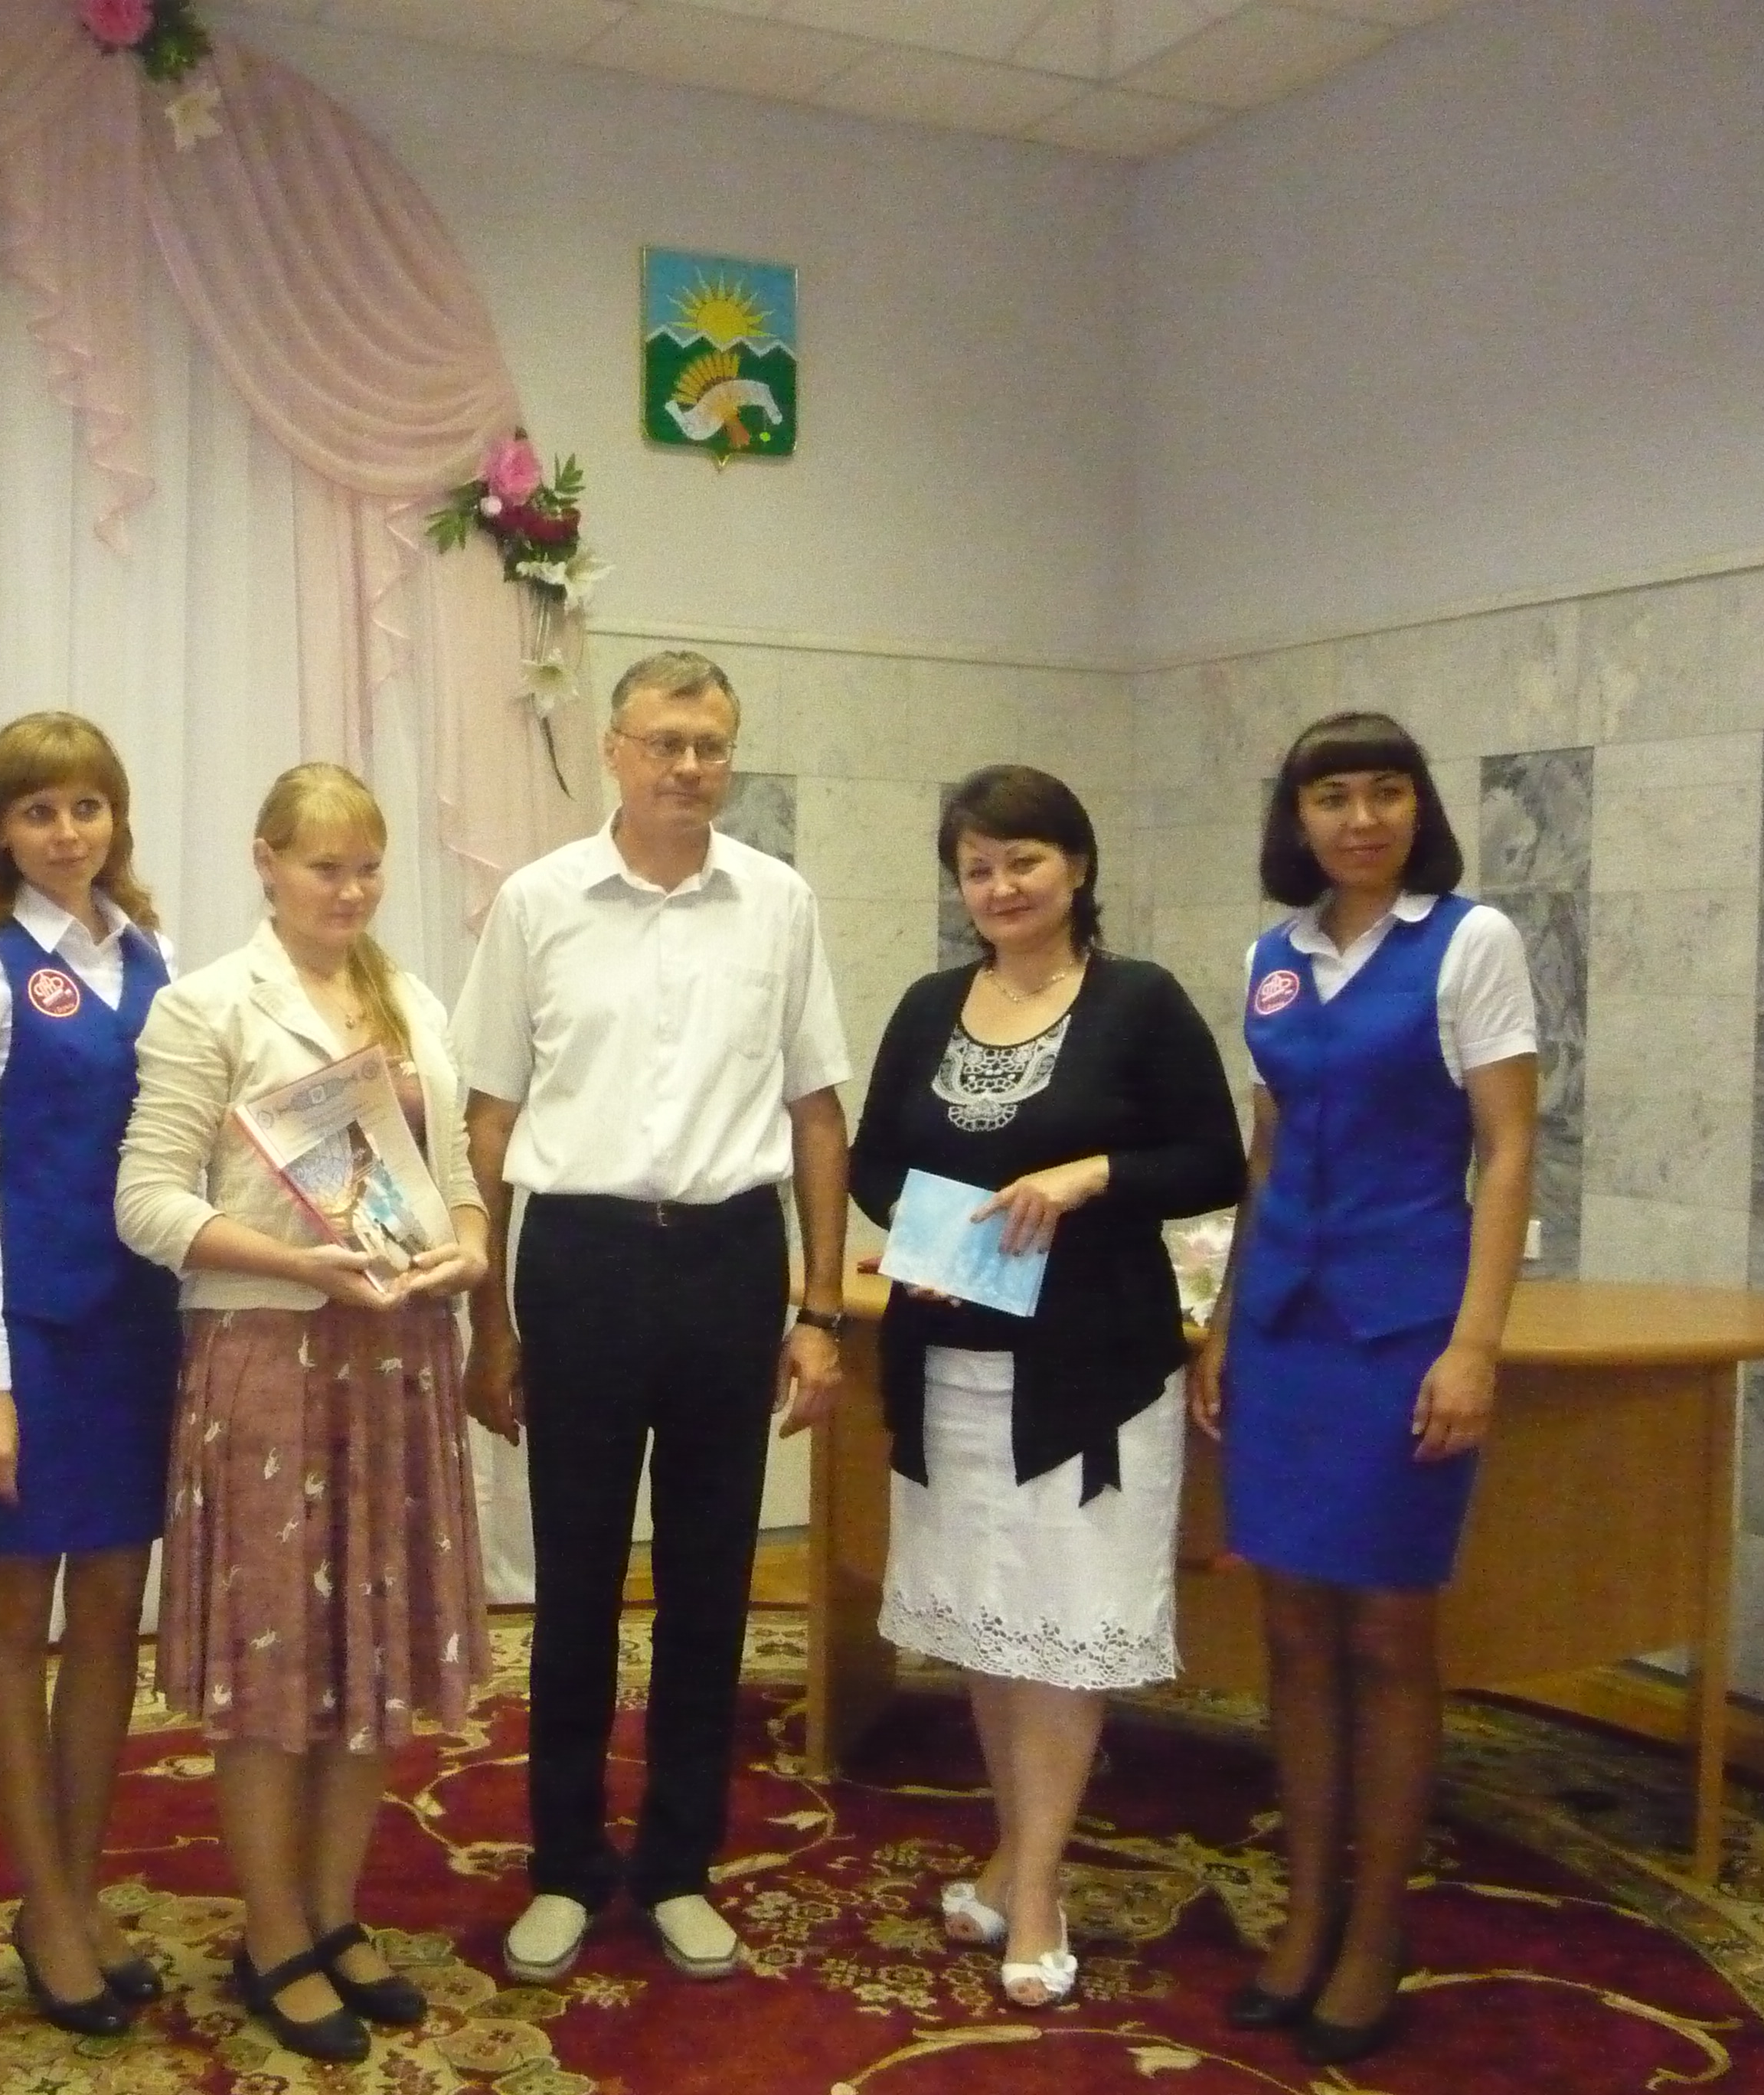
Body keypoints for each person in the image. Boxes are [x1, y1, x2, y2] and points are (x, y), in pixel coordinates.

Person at [453, 649, 851, 1987]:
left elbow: (816, 1112)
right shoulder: (538, 903)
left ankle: (680, 1865)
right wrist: (491, 1323)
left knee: (708, 1579)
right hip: (580, 1260)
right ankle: (565, 1866)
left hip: (729, 1263)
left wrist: (820, 1310)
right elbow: (488, 1121)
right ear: (613, 751)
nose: (689, 767)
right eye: (665, 742)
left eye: (711, 746)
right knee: (573, 1580)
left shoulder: (779, 904)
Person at [114, 763, 490, 2066]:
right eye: (325, 866)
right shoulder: (209, 1004)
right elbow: (148, 1202)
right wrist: (296, 1264)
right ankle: (271, 1930)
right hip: (271, 1353)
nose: (351, 890)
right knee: (276, 1658)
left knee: (369, 1648)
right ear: (265, 863)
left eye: (369, 866)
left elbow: (455, 1179)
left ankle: (333, 1913)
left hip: (397, 1356)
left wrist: (468, 1250)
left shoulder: (412, 999)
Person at [850, 764, 1244, 2008]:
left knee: (1063, 1634)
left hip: (1091, 1372)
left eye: (1023, 859)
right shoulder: (928, 1007)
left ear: (1075, 866)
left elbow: (1213, 1160)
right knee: (989, 1624)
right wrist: (930, 1238)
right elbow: (871, 1164)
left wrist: (1091, 1176)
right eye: (977, 868)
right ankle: (1017, 1852)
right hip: (950, 1365)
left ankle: (1034, 1890)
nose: (1001, 886)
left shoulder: (1140, 1002)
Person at [1187, 711, 1537, 2069]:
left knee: (1389, 1637)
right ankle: (1306, 1915)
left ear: (1417, 808)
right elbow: (1267, 1155)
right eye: (1333, 796)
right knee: (1290, 1633)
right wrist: (1223, 1321)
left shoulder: (1470, 942)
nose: (1362, 818)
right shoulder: (1273, 959)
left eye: (1387, 792)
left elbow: (1508, 1152)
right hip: (1285, 1331)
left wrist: (1476, 1344)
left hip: (1404, 1329)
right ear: (1299, 819)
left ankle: (1377, 1927)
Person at [0, 712, 180, 2032]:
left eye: (87, 806)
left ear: (115, 818)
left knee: (113, 1613)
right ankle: (42, 1894)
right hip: (26, 1335)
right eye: (38, 811)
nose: (67, 832)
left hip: (142, 1325)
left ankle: (72, 1895)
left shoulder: (154, 956)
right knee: (18, 1618)